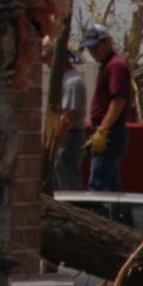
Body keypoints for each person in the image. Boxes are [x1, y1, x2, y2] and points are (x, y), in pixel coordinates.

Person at [82, 23, 134, 202]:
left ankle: (99, 224)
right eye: (90, 48)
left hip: (110, 132)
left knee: (99, 187)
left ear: (108, 42)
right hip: (108, 131)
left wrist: (102, 130)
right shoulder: (108, 65)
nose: (93, 52)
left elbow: (119, 100)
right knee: (111, 188)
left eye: (96, 47)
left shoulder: (115, 66)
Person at [53, 47, 88, 191]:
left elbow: (67, 117)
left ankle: (72, 210)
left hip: (70, 137)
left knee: (68, 184)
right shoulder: (66, 79)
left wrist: (55, 142)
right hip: (68, 136)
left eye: (47, 57)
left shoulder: (71, 82)